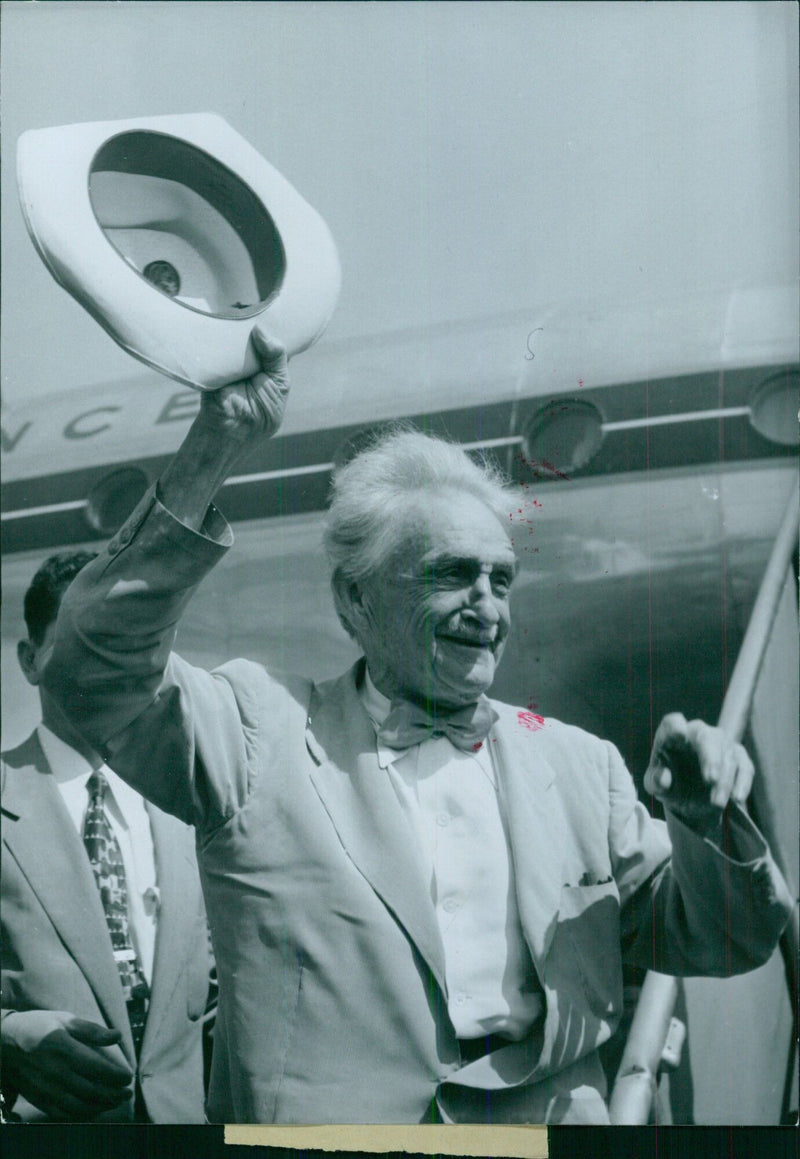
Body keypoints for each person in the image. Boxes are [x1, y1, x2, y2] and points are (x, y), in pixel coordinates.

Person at [40, 333, 792, 1125]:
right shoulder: (259, 731)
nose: (488, 605)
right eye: (450, 573)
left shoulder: (578, 764)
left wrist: (708, 822)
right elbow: (92, 670)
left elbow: (722, 940)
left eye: (501, 578)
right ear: (354, 601)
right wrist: (213, 448)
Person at [1, 552, 212, 1122]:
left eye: (128, 640)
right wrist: (7, 1037)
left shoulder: (192, 804)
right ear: (30, 660)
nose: (109, 662)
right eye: (84, 639)